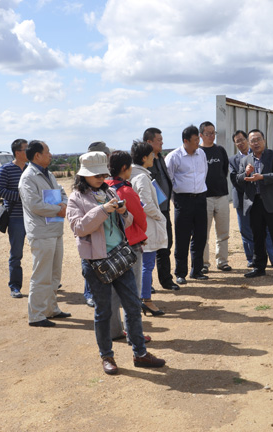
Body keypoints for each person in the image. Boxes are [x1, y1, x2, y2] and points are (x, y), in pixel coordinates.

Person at [66, 151, 166, 375]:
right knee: (103, 311)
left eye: (103, 173)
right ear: (83, 176)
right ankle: (107, 357)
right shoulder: (76, 198)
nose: (101, 177)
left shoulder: (109, 191)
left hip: (120, 256)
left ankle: (140, 353)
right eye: (96, 175)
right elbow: (79, 228)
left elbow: (127, 221)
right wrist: (102, 210)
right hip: (96, 263)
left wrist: (122, 211)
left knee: (132, 306)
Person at [18, 140, 71, 327]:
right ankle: (36, 315)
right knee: (41, 274)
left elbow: (62, 192)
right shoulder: (28, 178)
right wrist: (58, 209)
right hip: (41, 232)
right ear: (37, 155)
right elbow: (34, 205)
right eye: (47, 152)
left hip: (55, 229)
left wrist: (64, 204)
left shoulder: (48, 174)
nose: (50, 155)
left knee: (55, 274)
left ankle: (51, 309)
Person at [105, 151, 154, 343]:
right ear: (125, 168)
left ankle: (114, 331)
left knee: (113, 293)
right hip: (130, 246)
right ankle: (135, 335)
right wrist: (141, 234)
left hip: (111, 247)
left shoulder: (105, 187)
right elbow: (140, 218)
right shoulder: (126, 191)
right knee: (131, 294)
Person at [236, 129, 273, 283]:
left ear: (264, 141)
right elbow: (238, 179)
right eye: (252, 140)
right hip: (254, 203)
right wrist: (246, 174)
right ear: (249, 143)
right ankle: (259, 267)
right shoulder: (245, 160)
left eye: (258, 139)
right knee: (257, 237)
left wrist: (262, 177)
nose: (255, 143)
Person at [165, 125, 208, 285]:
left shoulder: (201, 153)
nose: (198, 142)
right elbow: (168, 180)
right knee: (182, 237)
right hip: (183, 201)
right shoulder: (174, 157)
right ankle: (180, 273)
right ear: (185, 141)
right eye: (196, 139)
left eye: (198, 139)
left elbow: (205, 173)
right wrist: (175, 200)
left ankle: (197, 270)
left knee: (200, 236)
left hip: (200, 199)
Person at [229, 130, 273, 268]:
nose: (241, 143)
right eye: (237, 141)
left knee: (265, 229)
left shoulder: (258, 155)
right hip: (241, 198)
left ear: (247, 141)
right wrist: (246, 174)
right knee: (246, 231)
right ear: (235, 144)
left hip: (259, 199)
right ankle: (252, 260)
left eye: (243, 139)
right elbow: (235, 180)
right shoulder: (233, 160)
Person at [130, 140, 167, 316]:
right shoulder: (142, 177)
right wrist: (160, 216)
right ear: (144, 157)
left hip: (141, 226)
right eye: (151, 154)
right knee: (147, 265)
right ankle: (146, 300)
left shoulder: (134, 174)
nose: (154, 157)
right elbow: (145, 203)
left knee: (143, 264)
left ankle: (142, 298)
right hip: (147, 227)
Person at [144, 127, 179, 291]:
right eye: (159, 140)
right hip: (151, 212)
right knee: (150, 247)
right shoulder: (143, 163)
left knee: (166, 244)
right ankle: (147, 284)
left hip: (164, 210)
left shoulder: (160, 158)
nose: (162, 142)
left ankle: (166, 280)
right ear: (149, 142)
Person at [0, 138, 28, 298]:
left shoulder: (30, 169)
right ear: (17, 152)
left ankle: (44, 282)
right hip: (16, 218)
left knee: (40, 251)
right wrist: (22, 197)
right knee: (16, 254)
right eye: (26, 149)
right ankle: (15, 286)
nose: (29, 152)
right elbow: (0, 191)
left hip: (34, 218)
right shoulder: (6, 169)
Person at [198, 121, 231, 273]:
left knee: (223, 232)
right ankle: (204, 263)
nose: (211, 136)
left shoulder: (220, 150)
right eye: (208, 133)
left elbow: (225, 171)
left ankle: (222, 261)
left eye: (213, 133)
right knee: (203, 233)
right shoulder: (198, 152)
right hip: (205, 199)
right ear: (201, 135)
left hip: (222, 196)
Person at [83, 141, 113, 307]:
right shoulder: (81, 190)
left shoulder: (103, 181)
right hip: (90, 237)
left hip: (105, 236)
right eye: (104, 155)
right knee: (90, 266)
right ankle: (89, 295)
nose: (107, 158)